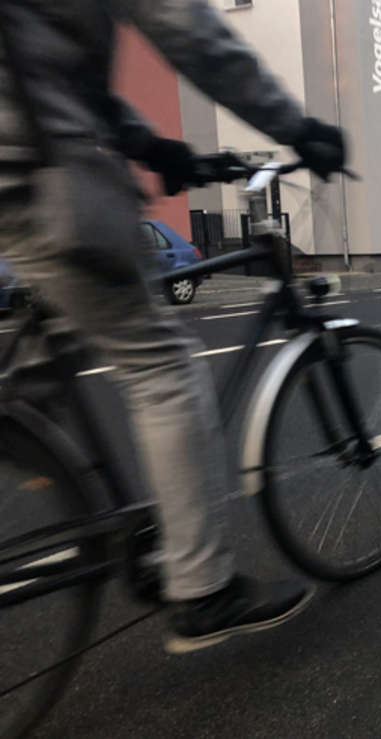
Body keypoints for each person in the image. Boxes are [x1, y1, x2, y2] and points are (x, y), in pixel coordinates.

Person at [0, 0, 347, 653]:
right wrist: (296, 126)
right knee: (165, 366)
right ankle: (202, 589)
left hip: (28, 158)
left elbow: (56, 69)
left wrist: (153, 145)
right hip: (38, 176)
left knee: (71, 339)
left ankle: (49, 459)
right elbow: (190, 28)